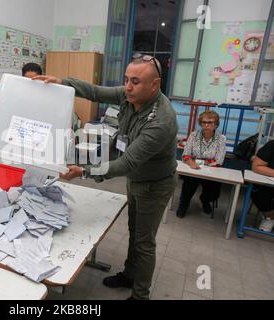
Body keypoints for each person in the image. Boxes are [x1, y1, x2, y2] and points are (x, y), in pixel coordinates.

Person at [33, 53, 178, 300]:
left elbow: (126, 163)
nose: (127, 87)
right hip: (138, 179)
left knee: (144, 241)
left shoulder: (161, 121)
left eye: (135, 81)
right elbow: (95, 92)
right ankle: (129, 274)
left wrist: (85, 171)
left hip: (155, 184)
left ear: (155, 84)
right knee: (135, 230)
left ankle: (140, 295)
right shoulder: (129, 95)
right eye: (126, 80)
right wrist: (62, 82)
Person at [176, 110, 227, 218]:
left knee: (213, 192)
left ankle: (205, 200)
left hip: (211, 171)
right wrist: (191, 162)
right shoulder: (194, 135)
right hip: (193, 169)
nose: (206, 125)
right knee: (189, 185)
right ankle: (183, 204)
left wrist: (196, 161)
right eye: (204, 122)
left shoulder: (221, 139)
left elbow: (219, 161)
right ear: (200, 123)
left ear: (216, 125)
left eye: (210, 122)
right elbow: (185, 155)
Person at [251, 139, 274, 232]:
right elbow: (256, 166)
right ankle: (271, 217)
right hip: (270, 184)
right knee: (257, 191)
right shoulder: (273, 145)